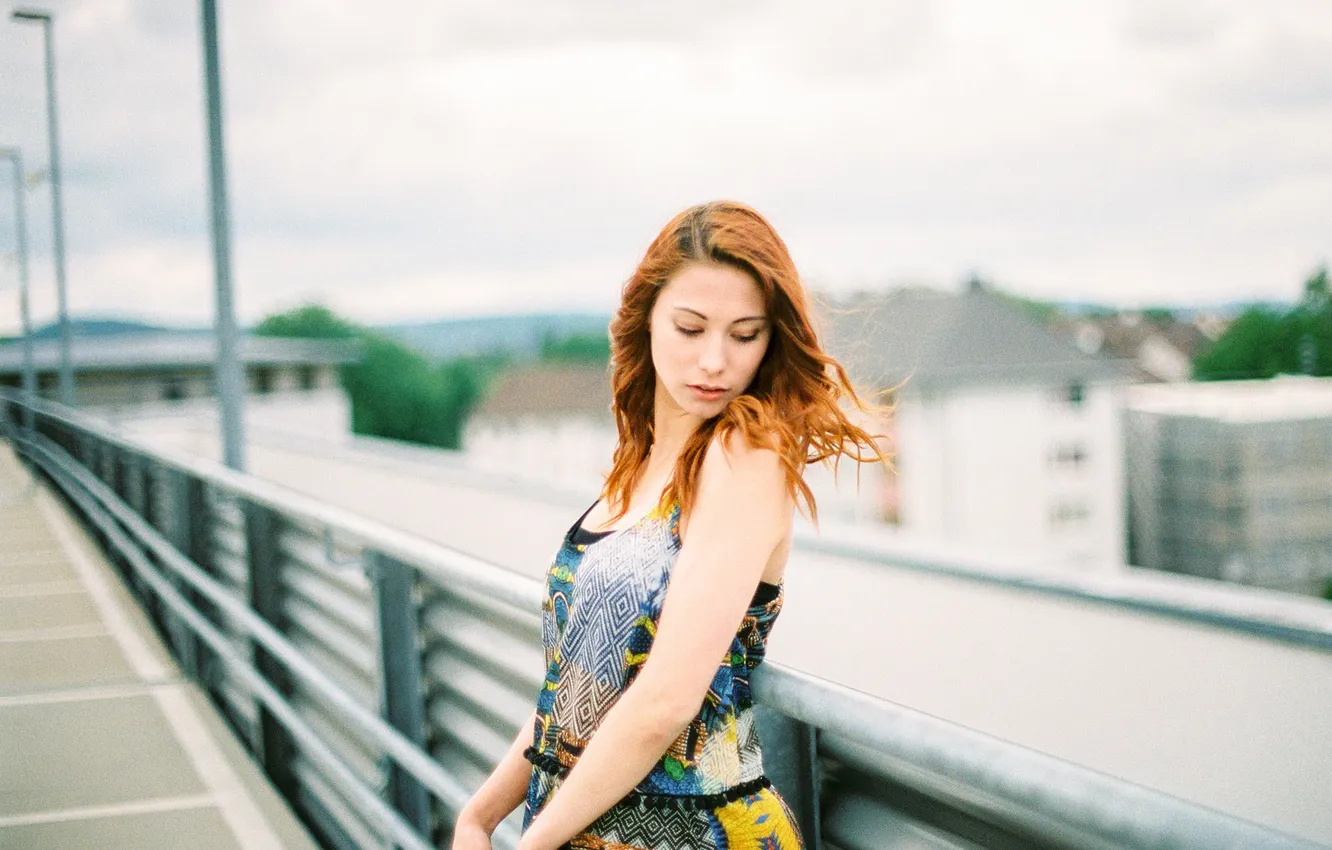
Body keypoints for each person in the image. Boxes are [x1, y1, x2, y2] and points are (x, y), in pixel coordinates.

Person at [451, 201, 887, 850]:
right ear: (646, 318)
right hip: (578, 827)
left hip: (696, 832)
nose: (715, 360)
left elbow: (664, 701)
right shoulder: (634, 471)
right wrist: (480, 816)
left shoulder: (746, 456)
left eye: (744, 335)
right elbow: (575, 693)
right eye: (690, 328)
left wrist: (532, 842)